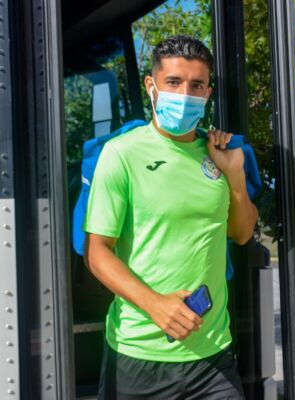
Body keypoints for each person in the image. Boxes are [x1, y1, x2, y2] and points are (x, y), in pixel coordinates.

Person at [83, 34, 258, 400]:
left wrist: (235, 175)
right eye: (174, 82)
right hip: (138, 355)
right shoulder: (121, 154)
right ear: (152, 86)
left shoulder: (218, 154)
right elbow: (97, 252)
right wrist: (156, 305)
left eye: (196, 86)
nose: (185, 94)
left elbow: (242, 234)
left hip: (213, 356)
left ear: (207, 94)